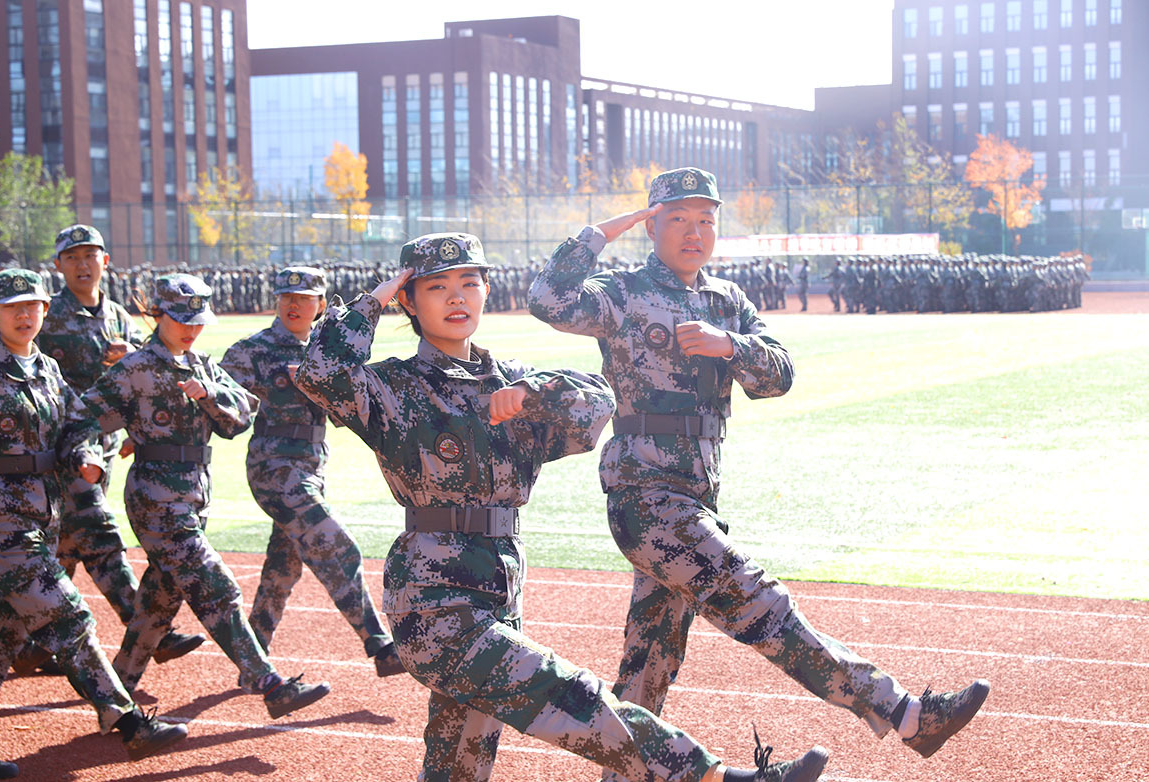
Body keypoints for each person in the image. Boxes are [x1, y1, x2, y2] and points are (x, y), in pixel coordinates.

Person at [295, 233, 830, 782]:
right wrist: (373, 299)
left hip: (501, 587)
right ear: (409, 300)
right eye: (437, 287)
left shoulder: (512, 379)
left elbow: (597, 404)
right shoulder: (390, 386)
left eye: (469, 284)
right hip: (435, 603)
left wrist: (535, 393)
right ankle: (716, 777)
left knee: (458, 762)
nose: (457, 298)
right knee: (573, 696)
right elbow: (318, 372)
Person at [528, 167, 990, 781]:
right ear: (652, 224)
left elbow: (780, 374)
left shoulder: (727, 302)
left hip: (697, 494)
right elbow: (547, 298)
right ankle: (902, 712)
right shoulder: (623, 292)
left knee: (649, 666)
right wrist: (603, 232)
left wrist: (731, 347)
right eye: (678, 220)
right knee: (761, 603)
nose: (695, 233)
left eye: (706, 221)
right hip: (646, 497)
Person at [62, 273, 330, 719]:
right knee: (218, 586)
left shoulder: (202, 363)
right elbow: (80, 418)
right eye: (179, 320)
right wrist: (88, 454)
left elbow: (241, 414)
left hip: (195, 496)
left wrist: (209, 395)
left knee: (158, 601)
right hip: (155, 498)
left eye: (197, 321)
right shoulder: (135, 369)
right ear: (157, 315)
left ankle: (113, 695)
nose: (190, 329)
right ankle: (269, 683)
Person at [0, 269, 187, 771]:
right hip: (1, 529)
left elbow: (75, 421)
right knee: (71, 615)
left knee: (5, 636)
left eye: (33, 305)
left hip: (41, 519)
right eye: (13, 306)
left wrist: (86, 456)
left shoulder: (45, 368)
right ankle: (129, 724)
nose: (25, 315)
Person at [30, 224, 204, 674]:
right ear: (59, 266)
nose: (82, 265)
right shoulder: (47, 318)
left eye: (90, 256)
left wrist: (133, 426)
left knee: (66, 543)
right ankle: (149, 631)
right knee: (99, 532)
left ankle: (34, 638)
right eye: (72, 258)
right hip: (64, 445)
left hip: (104, 448)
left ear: (106, 262)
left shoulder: (120, 318)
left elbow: (143, 377)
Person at [219, 266, 404, 677]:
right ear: (277, 301)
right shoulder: (253, 350)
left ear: (321, 305)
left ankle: (253, 658)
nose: (295, 305)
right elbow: (218, 395)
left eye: (305, 299)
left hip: (311, 468)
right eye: (287, 297)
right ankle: (379, 645)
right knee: (336, 544)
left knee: (282, 568)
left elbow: (350, 404)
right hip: (272, 467)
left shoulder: (324, 351)